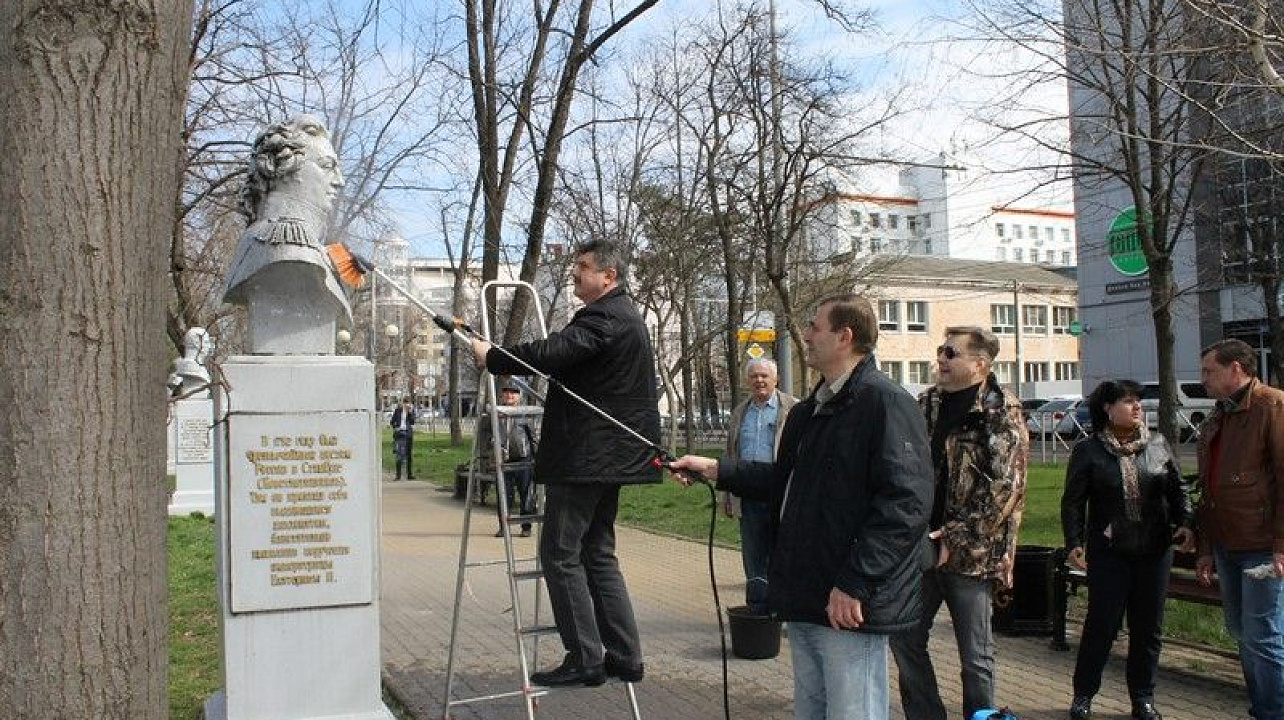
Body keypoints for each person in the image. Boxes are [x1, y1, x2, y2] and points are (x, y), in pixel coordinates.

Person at [668, 293, 932, 720]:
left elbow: (906, 504)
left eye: (815, 326)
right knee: (813, 709)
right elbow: (785, 481)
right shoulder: (810, 411)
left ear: (845, 337)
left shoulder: (886, 403)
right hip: (806, 592)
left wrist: (856, 582)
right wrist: (717, 470)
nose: (806, 335)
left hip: (849, 601)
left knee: (854, 712)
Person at [470, 239, 660, 688]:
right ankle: (624, 655)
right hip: (607, 458)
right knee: (598, 552)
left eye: (583, 266)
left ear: (608, 277)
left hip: (588, 458)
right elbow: (567, 360)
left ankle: (586, 658)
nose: (574, 272)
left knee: (560, 553)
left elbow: (555, 352)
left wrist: (495, 358)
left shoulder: (606, 317)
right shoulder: (621, 316)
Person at [890, 326, 1028, 720]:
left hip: (973, 554)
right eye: (940, 351)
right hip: (921, 546)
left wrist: (954, 535)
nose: (941, 360)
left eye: (951, 353)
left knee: (975, 656)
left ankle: (980, 716)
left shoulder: (1002, 412)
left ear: (980, 364)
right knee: (904, 636)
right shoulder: (925, 404)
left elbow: (1005, 490)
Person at [1060, 379, 1193, 720]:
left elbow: (1178, 490)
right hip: (1110, 551)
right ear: (1108, 408)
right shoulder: (1089, 450)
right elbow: (1073, 502)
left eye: (1139, 402)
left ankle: (1143, 699)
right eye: (1129, 401)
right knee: (1102, 625)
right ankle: (1083, 695)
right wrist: (1074, 542)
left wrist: (1185, 522)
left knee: (1148, 627)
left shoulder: (1158, 444)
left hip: (1154, 550)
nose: (1137, 407)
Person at [1194, 339, 1284, 720]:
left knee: (1263, 635)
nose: (1203, 380)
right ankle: (1262, 707)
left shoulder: (1272, 406)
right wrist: (1205, 547)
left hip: (1262, 545)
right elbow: (1209, 486)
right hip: (1228, 544)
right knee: (1242, 632)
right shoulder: (1220, 414)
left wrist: (1281, 543)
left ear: (1236, 369)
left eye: (1208, 371)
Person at [222, 115, 351, 353]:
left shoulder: (302, 245)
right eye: (327, 167)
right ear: (287, 169)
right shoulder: (285, 246)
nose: (339, 181)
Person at [719, 358, 797, 614]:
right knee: (753, 555)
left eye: (764, 376)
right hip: (748, 494)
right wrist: (727, 496)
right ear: (747, 381)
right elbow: (730, 453)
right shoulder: (740, 413)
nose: (759, 381)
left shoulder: (792, 409)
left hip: (781, 494)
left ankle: (784, 608)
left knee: (782, 553)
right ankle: (757, 608)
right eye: (754, 376)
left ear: (776, 380)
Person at [477, 381, 537, 537]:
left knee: (526, 494)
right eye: (507, 392)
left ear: (519, 396)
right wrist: (488, 454)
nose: (510, 395)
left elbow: (534, 437)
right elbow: (484, 435)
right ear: (502, 395)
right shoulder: (495, 414)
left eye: (514, 392)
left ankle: (526, 527)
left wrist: (537, 458)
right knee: (504, 495)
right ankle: (504, 526)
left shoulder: (526, 413)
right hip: (502, 460)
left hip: (523, 460)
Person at [390, 397, 416, 480]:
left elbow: (412, 422)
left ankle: (409, 474)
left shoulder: (410, 411)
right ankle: (398, 475)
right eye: (405, 403)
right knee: (399, 455)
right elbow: (392, 422)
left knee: (409, 455)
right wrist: (395, 427)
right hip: (400, 434)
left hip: (408, 434)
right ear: (403, 403)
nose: (406, 405)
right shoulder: (398, 411)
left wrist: (410, 412)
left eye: (408, 403)